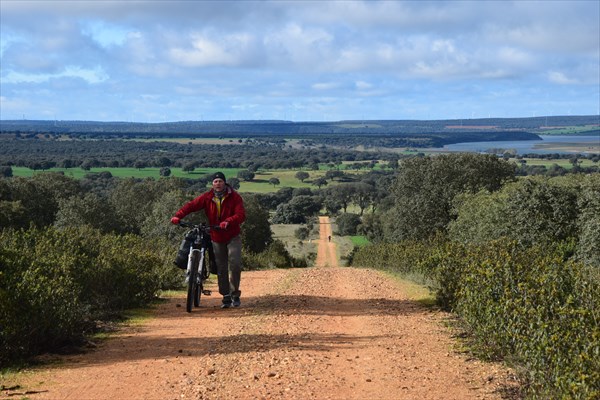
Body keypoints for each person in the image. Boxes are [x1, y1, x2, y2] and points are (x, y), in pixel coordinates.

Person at [171, 172, 246, 308]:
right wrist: (178, 216)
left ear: (225, 183)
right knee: (221, 267)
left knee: (234, 264)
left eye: (220, 181)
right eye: (215, 182)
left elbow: (241, 214)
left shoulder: (234, 197)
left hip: (232, 235)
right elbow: (191, 206)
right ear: (212, 184)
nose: (218, 184)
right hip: (216, 237)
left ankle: (235, 294)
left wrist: (228, 221)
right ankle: (226, 296)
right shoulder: (207, 197)